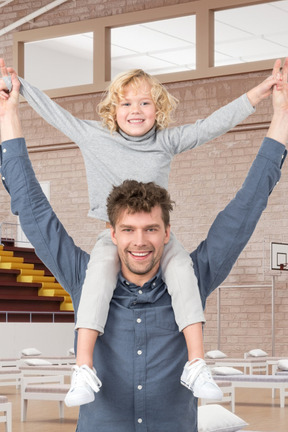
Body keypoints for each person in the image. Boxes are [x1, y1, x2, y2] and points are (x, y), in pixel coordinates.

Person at [0, 58, 287, 431]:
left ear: (168, 232)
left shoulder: (192, 275)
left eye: (151, 229)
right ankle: (81, 368)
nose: (139, 241)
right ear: (112, 231)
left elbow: (248, 204)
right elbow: (32, 206)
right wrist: (10, 110)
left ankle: (197, 364)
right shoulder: (85, 277)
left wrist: (279, 113)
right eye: (129, 229)